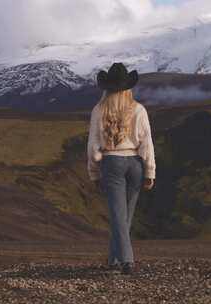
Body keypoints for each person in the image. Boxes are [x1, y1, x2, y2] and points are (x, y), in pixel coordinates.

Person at [86, 62, 156, 275]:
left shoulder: (99, 110)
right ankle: (115, 260)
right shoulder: (138, 109)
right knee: (125, 217)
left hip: (112, 163)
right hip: (135, 163)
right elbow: (147, 142)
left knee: (118, 216)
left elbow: (93, 145)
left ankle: (126, 261)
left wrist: (94, 171)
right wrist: (150, 171)